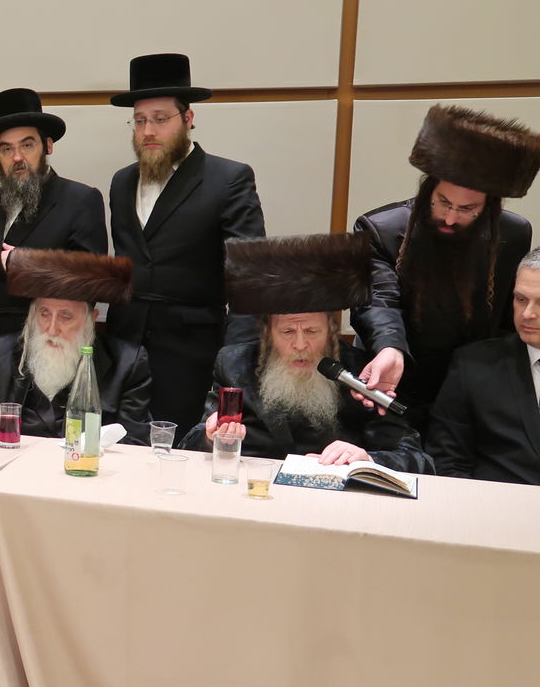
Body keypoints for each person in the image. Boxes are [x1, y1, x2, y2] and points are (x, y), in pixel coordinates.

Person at [104, 53, 266, 437]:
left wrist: (234, 371)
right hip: (123, 354)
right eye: (140, 120)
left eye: (161, 119)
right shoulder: (121, 182)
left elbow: (249, 281)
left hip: (192, 356)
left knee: (182, 454)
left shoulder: (228, 179)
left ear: (188, 118)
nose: (148, 131)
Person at [353, 104, 539, 430]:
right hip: (397, 377)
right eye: (443, 202)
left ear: (489, 206)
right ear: (428, 190)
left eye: (467, 209)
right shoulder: (380, 229)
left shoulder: (513, 233)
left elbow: (507, 320)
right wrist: (390, 348)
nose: (451, 218)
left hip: (476, 385)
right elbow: (377, 301)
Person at [185, 233, 432, 474]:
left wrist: (367, 459)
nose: (301, 344)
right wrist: (210, 436)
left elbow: (417, 460)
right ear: (268, 334)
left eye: (312, 331)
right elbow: (190, 445)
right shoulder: (235, 365)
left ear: (330, 331)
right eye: (288, 331)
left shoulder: (360, 372)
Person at [0, 87, 107, 366]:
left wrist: (27, 265)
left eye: (27, 145)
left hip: (42, 352)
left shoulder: (80, 200)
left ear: (48, 146)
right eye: (7, 148)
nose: (17, 157)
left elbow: (91, 282)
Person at [0, 249, 150, 443]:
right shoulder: (1, 351)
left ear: (91, 319)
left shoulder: (126, 363)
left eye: (65, 317)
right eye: (44, 314)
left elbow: (134, 441)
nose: (52, 329)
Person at [427, 247, 540, 484]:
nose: (527, 314)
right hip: (493, 503)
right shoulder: (474, 365)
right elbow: (447, 461)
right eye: (521, 300)